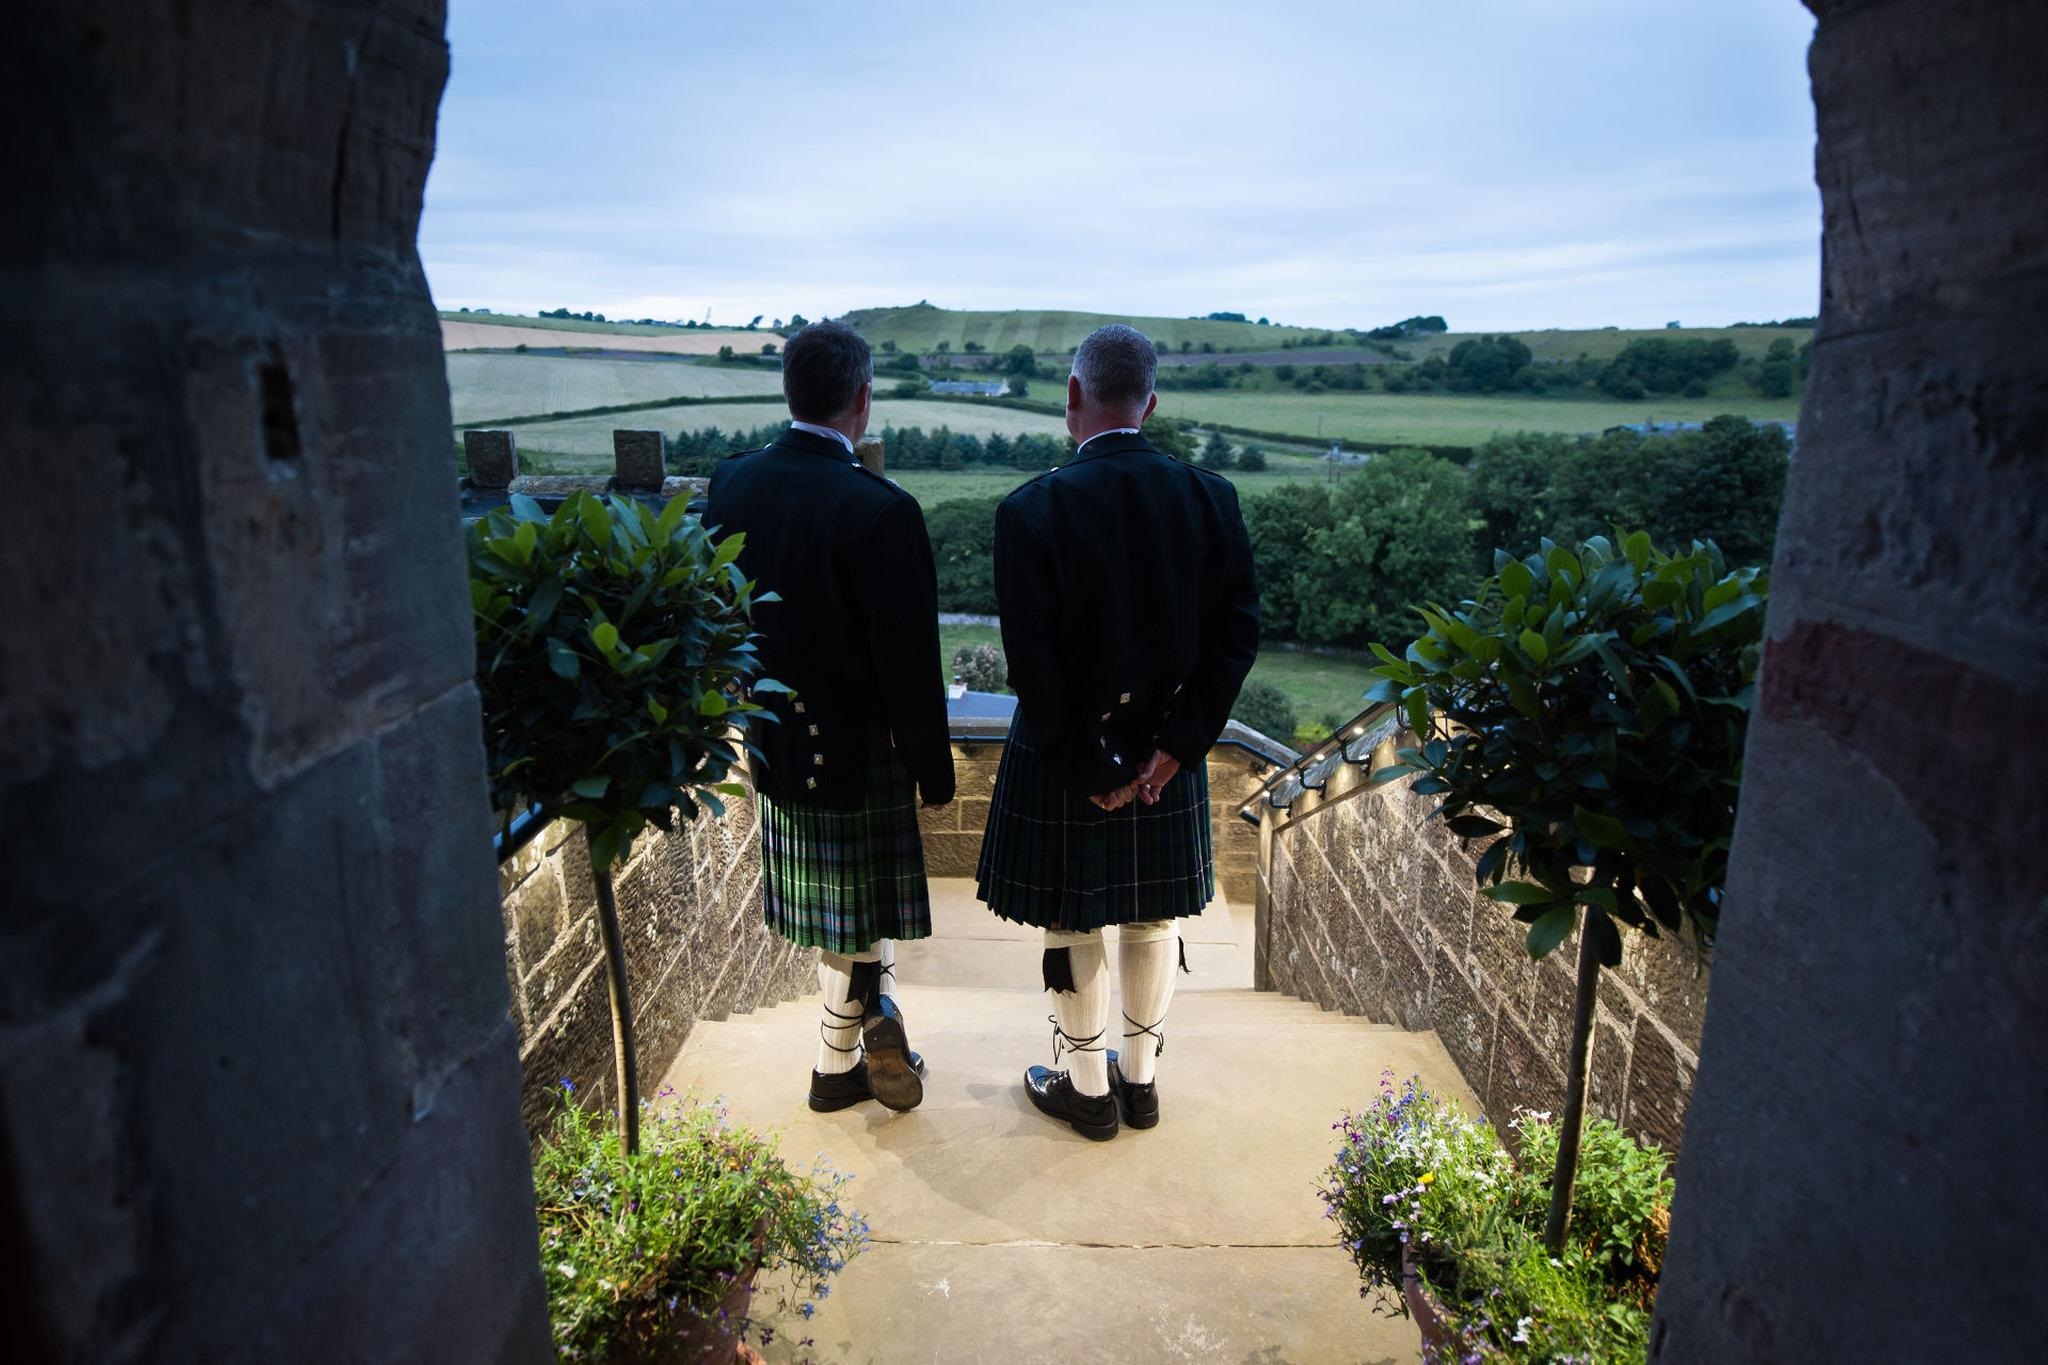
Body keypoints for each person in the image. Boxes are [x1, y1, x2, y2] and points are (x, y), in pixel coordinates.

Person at [976, 323, 1259, 1140]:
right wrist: (1178, 744)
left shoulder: (1030, 509)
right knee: (1152, 915)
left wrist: (1089, 763)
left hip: (1067, 758)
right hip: (1171, 751)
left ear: (1072, 398)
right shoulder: (1213, 498)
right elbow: (1236, 637)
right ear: (1151, 402)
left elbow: (1035, 663)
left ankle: (1086, 1087)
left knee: (1074, 919)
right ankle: (1141, 1082)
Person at [707, 320, 954, 1114]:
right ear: (863, 399)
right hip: (861, 746)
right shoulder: (881, 510)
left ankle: (846, 1053)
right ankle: (833, 1061)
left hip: (774, 743)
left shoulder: (731, 482)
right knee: (856, 910)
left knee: (841, 913)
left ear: (789, 391)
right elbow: (910, 668)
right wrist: (934, 770)